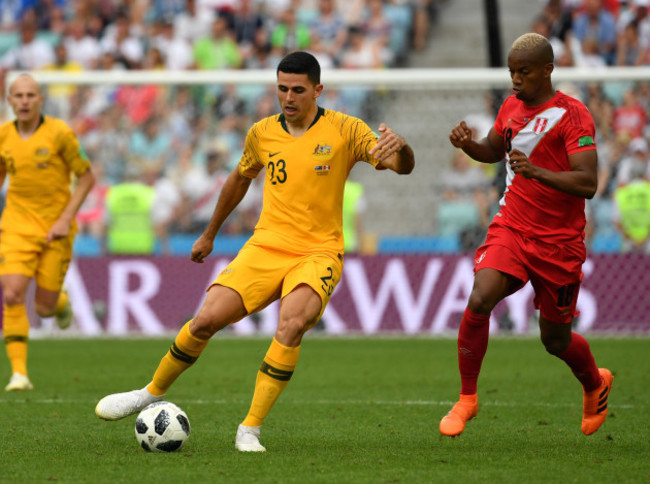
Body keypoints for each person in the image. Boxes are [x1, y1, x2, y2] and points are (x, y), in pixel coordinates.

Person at [95, 51, 414, 451]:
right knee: (205, 321)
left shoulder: (346, 129)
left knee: (291, 324)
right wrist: (210, 234)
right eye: (282, 89)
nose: (289, 97)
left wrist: (400, 149)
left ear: (318, 89)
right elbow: (239, 178)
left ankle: (250, 428)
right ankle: (151, 392)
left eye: (298, 90)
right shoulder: (262, 132)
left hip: (318, 252)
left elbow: (401, 165)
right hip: (265, 246)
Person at [439, 33, 613, 438]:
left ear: (548, 70)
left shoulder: (573, 115)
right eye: (512, 71)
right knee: (480, 296)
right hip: (512, 226)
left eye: (525, 71)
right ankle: (467, 398)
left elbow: (588, 183)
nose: (516, 79)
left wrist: (538, 172)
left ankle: (594, 383)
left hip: (559, 242)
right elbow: (492, 150)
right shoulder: (511, 107)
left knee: (554, 339)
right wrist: (469, 147)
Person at [0, 73, 95, 391]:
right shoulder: (3, 136)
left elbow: (86, 178)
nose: (24, 101)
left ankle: (61, 302)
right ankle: (19, 374)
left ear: (40, 100)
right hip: (16, 226)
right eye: (18, 96)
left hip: (57, 229)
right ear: (10, 100)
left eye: (30, 95)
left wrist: (64, 219)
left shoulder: (60, 134)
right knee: (11, 293)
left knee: (43, 306)